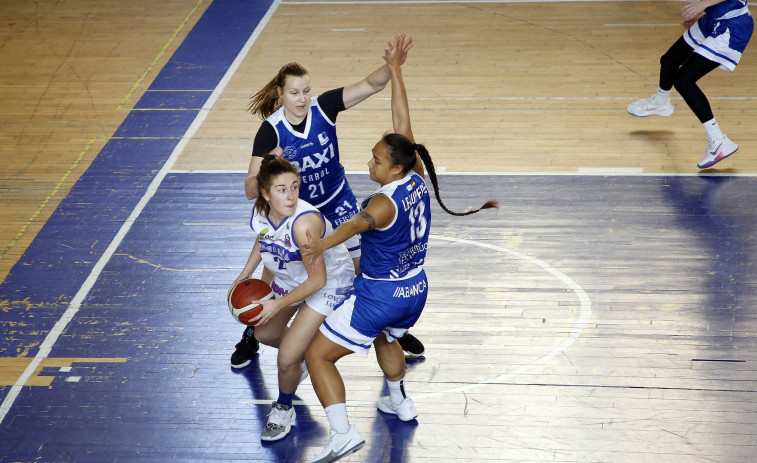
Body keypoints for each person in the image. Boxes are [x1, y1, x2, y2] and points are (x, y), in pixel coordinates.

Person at [301, 34, 498, 463]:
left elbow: (352, 226)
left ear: (393, 166)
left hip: (380, 294)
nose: (368, 163)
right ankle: (399, 400)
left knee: (317, 356)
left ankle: (342, 434)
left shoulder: (381, 203)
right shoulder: (414, 173)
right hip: (415, 290)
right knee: (387, 339)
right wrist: (396, 70)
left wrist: (312, 247)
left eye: (374, 160)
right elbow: (402, 122)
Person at [230, 47, 425, 369]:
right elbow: (251, 190)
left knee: (365, 271)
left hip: (337, 204)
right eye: (294, 92)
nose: (302, 98)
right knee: (274, 266)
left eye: (306, 90)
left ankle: (389, 329)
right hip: (297, 213)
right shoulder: (270, 131)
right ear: (281, 93)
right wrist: (268, 161)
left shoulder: (325, 107)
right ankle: (254, 331)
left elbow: (371, 85)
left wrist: (393, 66)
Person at [228, 156, 355, 442]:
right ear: (265, 193)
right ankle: (305, 354)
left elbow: (318, 280)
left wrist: (277, 303)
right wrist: (244, 275)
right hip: (292, 276)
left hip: (328, 282)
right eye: (282, 189)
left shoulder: (303, 223)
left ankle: (284, 407)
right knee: (264, 332)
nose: (291, 195)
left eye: (295, 187)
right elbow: (264, 238)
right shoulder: (261, 212)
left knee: (286, 360)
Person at [627, 0, 753, 169]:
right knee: (669, 61)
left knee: (683, 80)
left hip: (732, 26)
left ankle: (718, 142)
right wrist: (703, 9)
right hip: (713, 20)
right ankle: (660, 103)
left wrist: (701, 5)